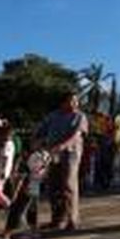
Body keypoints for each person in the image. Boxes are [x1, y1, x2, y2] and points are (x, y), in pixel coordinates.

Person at [36, 90, 89, 231]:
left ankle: (73, 220)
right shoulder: (52, 116)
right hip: (52, 153)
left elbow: (76, 135)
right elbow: (40, 131)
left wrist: (62, 145)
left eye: (76, 101)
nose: (75, 103)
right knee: (52, 186)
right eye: (71, 100)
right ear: (62, 102)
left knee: (68, 185)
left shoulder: (80, 116)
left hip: (71, 154)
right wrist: (38, 143)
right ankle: (57, 219)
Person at [0, 145, 51, 239]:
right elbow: (45, 172)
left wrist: (15, 192)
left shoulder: (32, 157)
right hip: (35, 183)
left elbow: (22, 176)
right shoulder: (45, 155)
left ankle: (6, 235)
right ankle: (34, 231)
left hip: (28, 183)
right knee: (31, 207)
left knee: (17, 208)